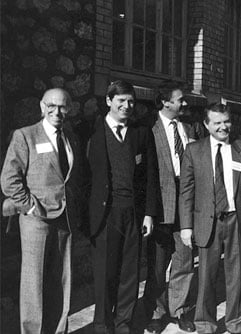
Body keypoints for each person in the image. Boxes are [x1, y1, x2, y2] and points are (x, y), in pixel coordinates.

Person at [1, 88, 86, 334]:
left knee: (62, 280)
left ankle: (58, 330)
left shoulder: (71, 137)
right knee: (33, 283)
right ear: (42, 107)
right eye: (52, 106)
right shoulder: (25, 136)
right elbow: (9, 180)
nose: (57, 112)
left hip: (65, 218)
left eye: (62, 106)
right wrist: (28, 206)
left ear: (69, 109)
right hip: (35, 220)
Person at [179, 103, 241, 334]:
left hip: (236, 219)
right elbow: (186, 191)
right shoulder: (194, 151)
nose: (223, 127)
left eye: (226, 121)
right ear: (206, 125)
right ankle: (205, 323)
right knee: (206, 275)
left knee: (237, 275)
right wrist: (186, 226)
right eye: (217, 122)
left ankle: (236, 323)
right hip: (206, 221)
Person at [87, 80, 159, 334]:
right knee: (106, 273)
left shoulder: (141, 133)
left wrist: (149, 213)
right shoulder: (92, 131)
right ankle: (102, 325)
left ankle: (124, 324)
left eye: (131, 101)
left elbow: (151, 176)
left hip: (134, 212)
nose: (127, 106)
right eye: (121, 101)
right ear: (109, 101)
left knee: (130, 273)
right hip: (105, 214)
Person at [144, 82, 196, 334]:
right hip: (161, 204)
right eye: (179, 99)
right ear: (165, 102)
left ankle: (180, 310)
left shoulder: (188, 128)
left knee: (184, 259)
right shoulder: (149, 130)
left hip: (186, 204)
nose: (184, 103)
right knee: (157, 263)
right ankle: (156, 312)